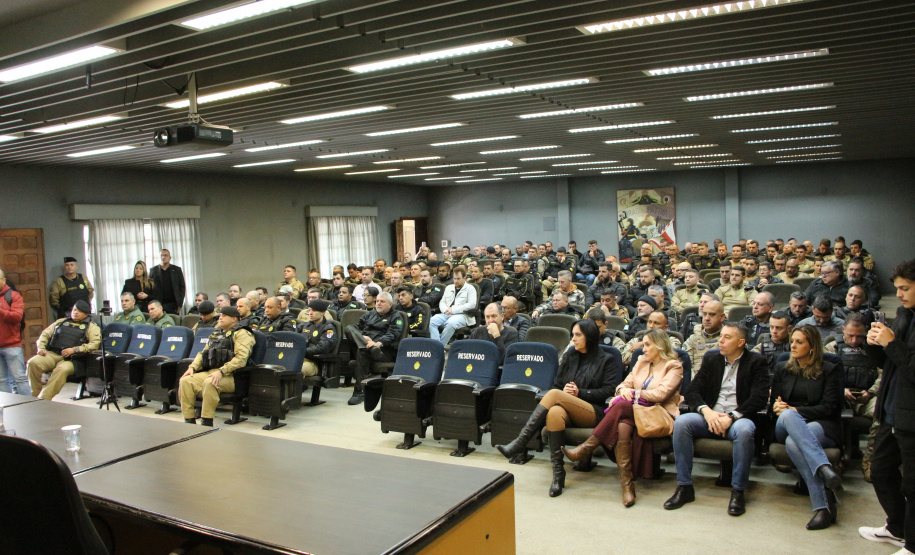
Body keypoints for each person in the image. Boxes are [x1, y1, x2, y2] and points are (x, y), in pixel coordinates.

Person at [496, 319, 618, 497]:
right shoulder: (570, 356)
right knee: (554, 412)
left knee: (553, 395)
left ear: (589, 337)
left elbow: (609, 391)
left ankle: (520, 442)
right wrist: (565, 391)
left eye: (578, 335)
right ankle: (558, 475)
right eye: (573, 335)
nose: (573, 339)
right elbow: (557, 384)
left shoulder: (607, 359)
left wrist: (580, 392)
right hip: (568, 407)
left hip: (594, 411)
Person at [562, 329, 682, 506]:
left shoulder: (673, 366)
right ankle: (627, 486)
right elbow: (621, 386)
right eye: (643, 344)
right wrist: (625, 390)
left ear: (660, 345)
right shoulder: (641, 362)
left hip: (658, 412)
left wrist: (633, 393)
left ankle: (586, 448)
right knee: (623, 424)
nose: (643, 348)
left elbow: (660, 394)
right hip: (633, 411)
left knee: (622, 406)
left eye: (647, 344)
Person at [664, 323, 769, 516]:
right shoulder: (712, 359)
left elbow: (759, 397)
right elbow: (692, 390)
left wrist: (732, 416)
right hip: (711, 417)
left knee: (745, 430)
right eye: (721, 336)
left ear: (741, 342)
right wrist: (707, 412)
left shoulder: (756, 362)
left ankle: (738, 490)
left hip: (739, 418)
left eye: (727, 337)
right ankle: (685, 487)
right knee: (681, 423)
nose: (720, 340)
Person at [860, 259, 915, 552]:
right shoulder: (905, 314)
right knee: (880, 471)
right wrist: (875, 345)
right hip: (891, 410)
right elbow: (892, 364)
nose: (901, 294)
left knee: (913, 485)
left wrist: (892, 344)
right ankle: (896, 527)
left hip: (911, 417)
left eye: (905, 288)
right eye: (898, 289)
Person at [769, 325, 843, 530]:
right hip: (785, 424)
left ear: (812, 346)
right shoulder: (783, 368)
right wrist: (776, 407)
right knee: (788, 416)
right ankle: (824, 468)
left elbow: (830, 407)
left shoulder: (829, 369)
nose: (792, 345)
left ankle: (824, 507)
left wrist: (795, 410)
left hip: (821, 425)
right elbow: (775, 403)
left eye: (799, 342)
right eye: (792, 341)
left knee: (794, 442)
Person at [178, 306, 254, 426]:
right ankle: (189, 420)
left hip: (232, 376)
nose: (220, 318)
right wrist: (192, 367)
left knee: (210, 382)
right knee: (186, 381)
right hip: (212, 371)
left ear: (234, 319)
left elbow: (241, 359)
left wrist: (221, 371)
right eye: (220, 315)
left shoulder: (243, 333)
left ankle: (206, 420)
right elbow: (203, 353)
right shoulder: (216, 332)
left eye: (224, 316)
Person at [26, 300, 101, 400]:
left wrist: (75, 350)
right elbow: (44, 334)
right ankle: (35, 395)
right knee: (33, 363)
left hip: (73, 359)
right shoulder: (61, 322)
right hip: (53, 354)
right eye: (74, 310)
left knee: (62, 369)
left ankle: (44, 399)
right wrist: (41, 347)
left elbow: (94, 344)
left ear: (86, 314)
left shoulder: (91, 327)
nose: (75, 312)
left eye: (79, 311)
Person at [345, 291, 404, 405]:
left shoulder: (396, 316)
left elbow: (393, 334)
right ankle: (367, 347)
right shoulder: (369, 314)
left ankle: (359, 391)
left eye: (382, 301)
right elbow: (355, 327)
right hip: (368, 346)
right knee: (349, 328)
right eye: (377, 301)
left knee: (362, 351)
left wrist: (378, 343)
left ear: (390, 304)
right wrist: (362, 337)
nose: (378, 304)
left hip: (384, 351)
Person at [429, 268, 478, 345]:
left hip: (463, 315)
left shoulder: (470, 289)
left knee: (450, 323)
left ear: (464, 278)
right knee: (431, 321)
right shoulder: (449, 287)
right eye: (454, 278)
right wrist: (445, 310)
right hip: (447, 313)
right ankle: (436, 344)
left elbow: (471, 305)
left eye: (458, 279)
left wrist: (454, 310)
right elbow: (442, 302)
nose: (456, 281)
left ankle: (440, 346)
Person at [0, 269, 29, 395]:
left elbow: (17, 317)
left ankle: (27, 409)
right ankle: (4, 410)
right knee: (1, 381)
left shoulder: (13, 296)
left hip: (12, 345)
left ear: (3, 280)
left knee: (20, 379)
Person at [300, 300, 337, 377]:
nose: (310, 313)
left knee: (297, 369)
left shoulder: (328, 328)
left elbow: (323, 348)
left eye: (314, 310)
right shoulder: (304, 326)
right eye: (309, 310)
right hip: (299, 358)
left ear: (323, 312)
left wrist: (302, 351)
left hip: (314, 363)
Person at [149, 249, 186, 314]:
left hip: (173, 304)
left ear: (170, 258)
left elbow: (182, 287)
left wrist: (180, 304)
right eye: (161, 255)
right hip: (158, 304)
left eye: (165, 255)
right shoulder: (153, 270)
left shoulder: (177, 270)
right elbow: (149, 287)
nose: (163, 257)